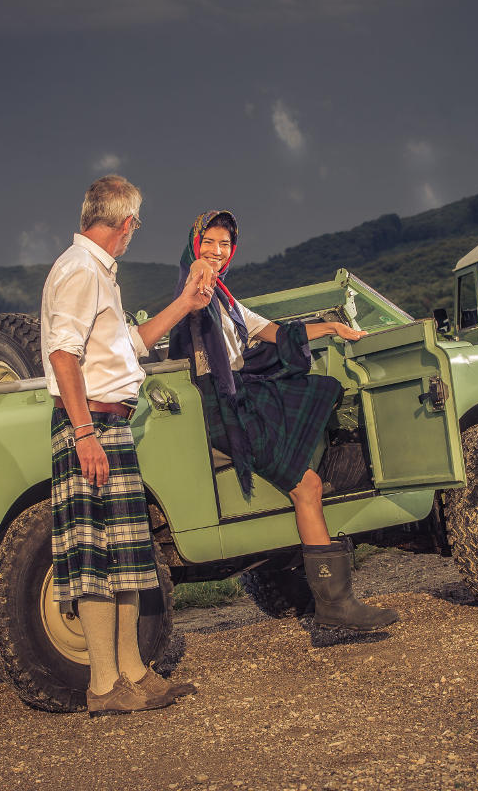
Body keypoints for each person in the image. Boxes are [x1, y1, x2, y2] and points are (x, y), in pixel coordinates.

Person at [168, 210, 398, 632]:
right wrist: (199, 266)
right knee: (305, 482)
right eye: (208, 243)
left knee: (317, 400)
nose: (216, 253)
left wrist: (331, 327)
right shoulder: (195, 292)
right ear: (194, 245)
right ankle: (336, 605)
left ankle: (334, 599)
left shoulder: (225, 299)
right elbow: (195, 274)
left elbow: (269, 330)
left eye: (224, 245)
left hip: (236, 400)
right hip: (223, 410)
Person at [41, 175, 211, 716]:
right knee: (95, 555)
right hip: (88, 424)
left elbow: (129, 347)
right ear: (126, 223)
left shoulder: (98, 274)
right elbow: (63, 357)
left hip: (108, 423)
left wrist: (185, 302)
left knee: (127, 552)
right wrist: (85, 433)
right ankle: (103, 686)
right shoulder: (78, 271)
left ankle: (133, 673)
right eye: (137, 223)